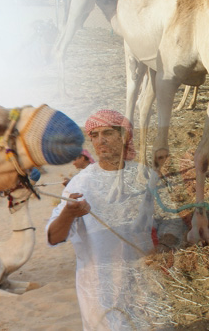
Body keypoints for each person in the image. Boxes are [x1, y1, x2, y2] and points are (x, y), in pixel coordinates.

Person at [46, 110, 156, 330]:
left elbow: (165, 219)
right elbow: (53, 237)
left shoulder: (146, 176)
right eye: (94, 135)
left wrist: (166, 244)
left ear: (124, 137)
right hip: (100, 289)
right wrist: (68, 214)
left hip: (144, 283)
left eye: (107, 133)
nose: (100, 140)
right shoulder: (80, 184)